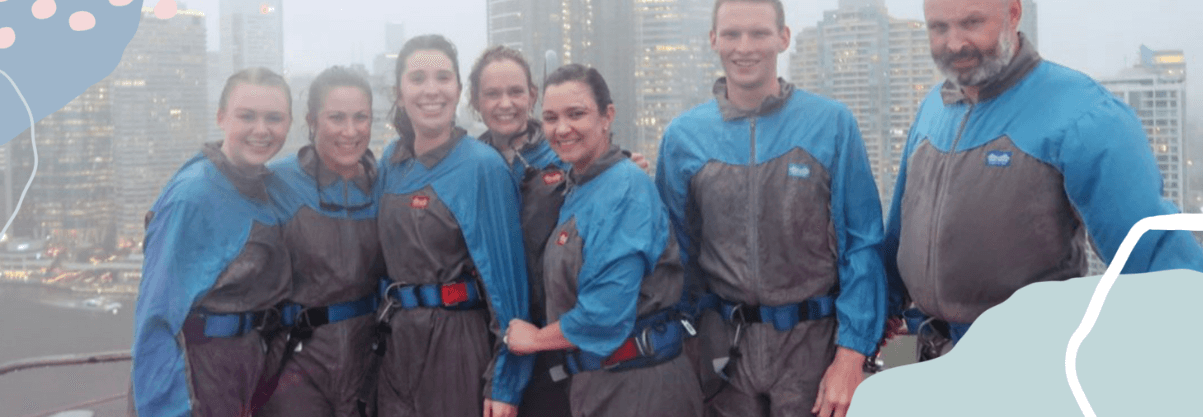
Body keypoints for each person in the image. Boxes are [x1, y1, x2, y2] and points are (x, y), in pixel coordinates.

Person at [881, 0, 1203, 356]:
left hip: (1031, 362)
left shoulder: (1083, 112)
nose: (955, 43)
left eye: (972, 23)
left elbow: (1155, 254)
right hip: (931, 358)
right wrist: (877, 314)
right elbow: (900, 232)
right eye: (938, 28)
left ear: (1013, 13)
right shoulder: (933, 108)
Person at [655, 0, 887, 415]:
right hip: (723, 358)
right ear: (713, 41)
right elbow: (676, 257)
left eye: (759, 33)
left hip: (813, 351)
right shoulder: (682, 138)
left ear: (783, 37)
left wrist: (852, 356)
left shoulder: (831, 124)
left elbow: (862, 245)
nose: (745, 46)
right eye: (731, 34)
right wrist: (685, 349)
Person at [505, 63, 703, 417]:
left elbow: (605, 315)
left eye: (576, 114)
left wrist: (533, 340)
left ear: (607, 116)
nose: (561, 128)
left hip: (640, 387)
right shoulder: (580, 186)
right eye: (550, 117)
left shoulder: (624, 189)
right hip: (599, 383)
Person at [374, 34, 532, 417]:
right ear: (399, 91)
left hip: (457, 343)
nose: (432, 90)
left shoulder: (483, 167)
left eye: (443, 78)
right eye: (418, 78)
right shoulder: (390, 165)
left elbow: (507, 284)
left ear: (460, 90)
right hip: (397, 345)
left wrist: (506, 380)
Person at [131, 67, 294, 417]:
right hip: (197, 382)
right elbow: (156, 319)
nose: (261, 130)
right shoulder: (193, 197)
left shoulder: (261, 188)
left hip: (244, 374)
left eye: (274, 118)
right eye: (246, 116)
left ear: (290, 124)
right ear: (221, 117)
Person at [258, 66, 383, 416]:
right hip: (295, 370)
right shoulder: (276, 183)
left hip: (370, 366)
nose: (350, 131)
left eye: (361, 118)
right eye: (336, 118)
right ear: (312, 120)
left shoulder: (386, 184)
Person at [467, 45, 571, 417]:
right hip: (490, 334)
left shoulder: (565, 155)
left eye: (515, 91)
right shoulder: (466, 165)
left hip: (554, 336)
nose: (505, 103)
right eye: (492, 94)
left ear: (533, 95)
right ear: (475, 101)